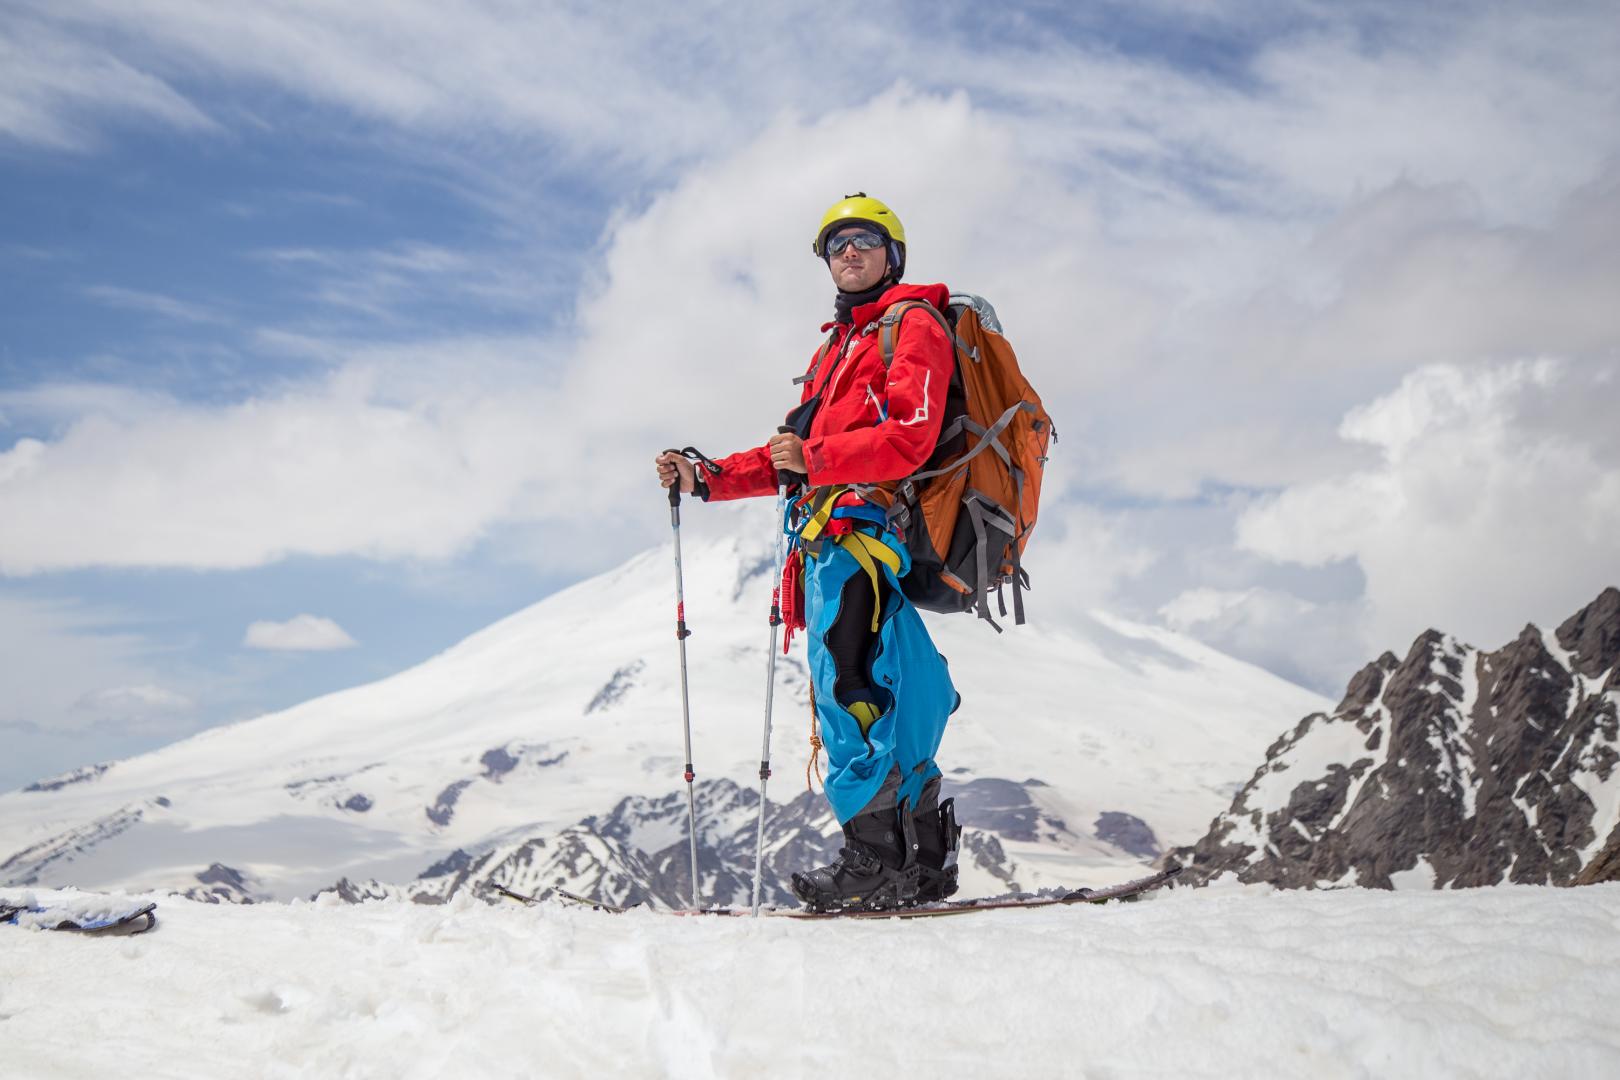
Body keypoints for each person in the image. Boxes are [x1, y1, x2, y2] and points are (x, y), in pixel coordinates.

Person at [655, 193, 962, 912]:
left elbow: (909, 436)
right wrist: (709, 478)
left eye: (864, 239)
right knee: (906, 692)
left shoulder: (912, 326)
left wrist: (816, 456)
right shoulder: (839, 345)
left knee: (850, 691)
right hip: (839, 536)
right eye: (835, 244)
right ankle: (925, 860)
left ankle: (877, 860)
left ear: (895, 254)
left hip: (856, 539)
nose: (848, 252)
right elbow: (791, 455)